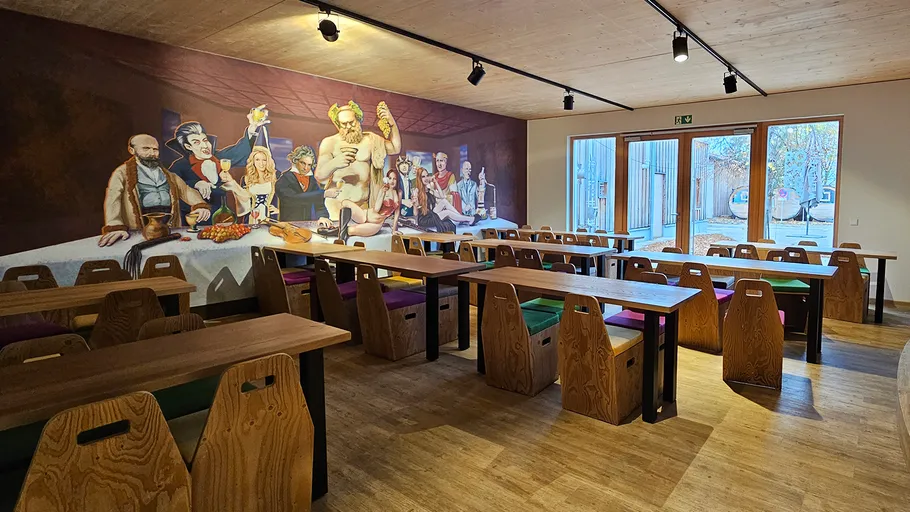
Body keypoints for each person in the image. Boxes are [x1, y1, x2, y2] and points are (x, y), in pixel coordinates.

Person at [99, 134, 211, 246]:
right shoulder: (122, 173)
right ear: (132, 150)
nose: (152, 153)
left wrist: (200, 205)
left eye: (155, 149)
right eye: (146, 148)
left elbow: (186, 191)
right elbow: (113, 199)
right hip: (139, 231)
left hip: (169, 229)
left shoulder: (168, 175)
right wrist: (115, 225)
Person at [166, 105, 270, 223]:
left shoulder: (220, 158)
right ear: (188, 146)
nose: (204, 146)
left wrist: (253, 127)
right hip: (197, 219)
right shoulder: (180, 166)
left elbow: (240, 151)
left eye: (205, 140)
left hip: (225, 217)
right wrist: (196, 183)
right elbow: (171, 187)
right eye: (197, 142)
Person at [315, 100, 401, 225]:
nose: (348, 127)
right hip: (336, 208)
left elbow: (395, 147)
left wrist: (391, 122)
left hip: (364, 207)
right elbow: (319, 175)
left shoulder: (370, 140)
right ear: (338, 124)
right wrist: (334, 163)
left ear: (358, 120)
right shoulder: (330, 142)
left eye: (351, 122)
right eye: (344, 124)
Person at [337, 168, 401, 242]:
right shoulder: (383, 190)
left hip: (375, 224)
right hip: (365, 215)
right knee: (345, 203)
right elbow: (377, 209)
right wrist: (383, 194)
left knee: (350, 230)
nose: (392, 181)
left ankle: (338, 231)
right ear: (387, 179)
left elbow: (397, 213)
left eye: (394, 179)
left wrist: (394, 230)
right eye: (390, 178)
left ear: (397, 180)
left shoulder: (399, 192)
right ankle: (341, 234)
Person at [275, 145, 331, 225]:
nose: (306, 168)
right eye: (303, 163)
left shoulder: (312, 180)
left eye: (309, 165)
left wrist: (323, 216)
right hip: (287, 226)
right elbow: (293, 199)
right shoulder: (284, 180)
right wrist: (322, 193)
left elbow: (319, 204)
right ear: (295, 161)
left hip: (306, 225)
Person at [413, 166, 477, 233]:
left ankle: (461, 218)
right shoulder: (416, 191)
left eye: (427, 176)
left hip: (431, 214)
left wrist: (435, 182)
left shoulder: (429, 190)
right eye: (423, 177)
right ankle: (468, 219)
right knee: (447, 212)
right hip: (424, 219)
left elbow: (442, 196)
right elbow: (415, 213)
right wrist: (415, 204)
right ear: (419, 178)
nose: (426, 178)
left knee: (444, 201)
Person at [240, 146, 279, 225]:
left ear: (268, 161)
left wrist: (279, 210)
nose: (261, 163)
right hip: (251, 220)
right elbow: (242, 203)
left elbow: (287, 198)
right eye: (257, 159)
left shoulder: (276, 177)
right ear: (253, 161)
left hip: (271, 220)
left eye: (264, 160)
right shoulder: (245, 179)